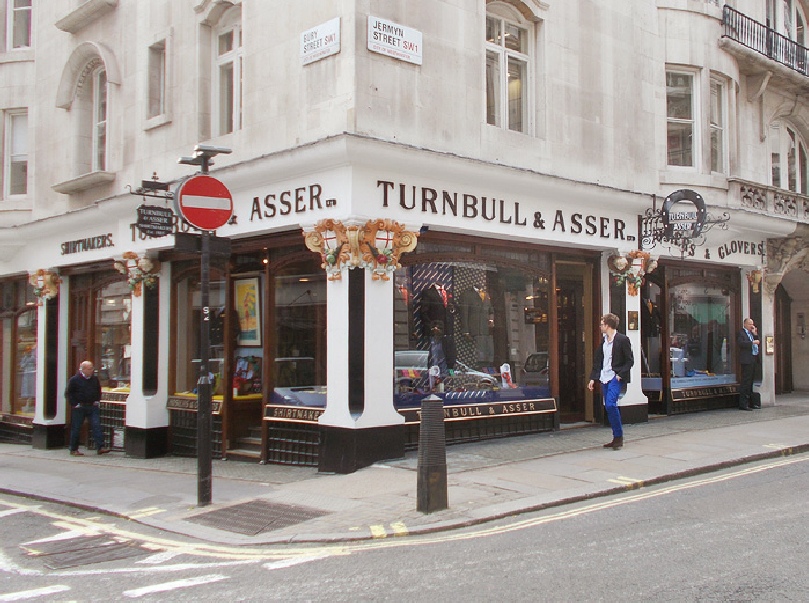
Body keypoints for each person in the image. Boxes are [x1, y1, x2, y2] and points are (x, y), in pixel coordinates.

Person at [588, 313, 634, 450]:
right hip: (604, 377)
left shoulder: (622, 339)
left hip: (615, 377)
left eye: (602, 324)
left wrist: (620, 374)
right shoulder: (603, 341)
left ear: (608, 325)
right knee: (608, 405)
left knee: (610, 404)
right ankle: (616, 438)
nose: (600, 326)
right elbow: (598, 361)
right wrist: (593, 378)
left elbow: (630, 360)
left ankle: (618, 436)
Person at [66, 361, 110, 456]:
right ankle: (73, 449)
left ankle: (100, 447)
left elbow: (98, 390)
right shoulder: (74, 380)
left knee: (96, 425)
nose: (92, 371)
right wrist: (74, 404)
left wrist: (97, 400)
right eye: (89, 369)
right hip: (79, 407)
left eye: (92, 368)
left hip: (92, 406)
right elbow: (69, 393)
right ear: (83, 369)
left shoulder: (94, 379)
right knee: (76, 428)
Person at [737, 318, 760, 410]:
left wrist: (755, 335)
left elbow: (757, 342)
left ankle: (751, 402)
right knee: (745, 381)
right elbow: (741, 343)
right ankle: (743, 403)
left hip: (753, 358)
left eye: (753, 324)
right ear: (745, 324)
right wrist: (752, 342)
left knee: (751, 381)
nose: (752, 326)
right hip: (746, 360)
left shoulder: (751, 333)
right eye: (750, 324)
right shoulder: (741, 333)